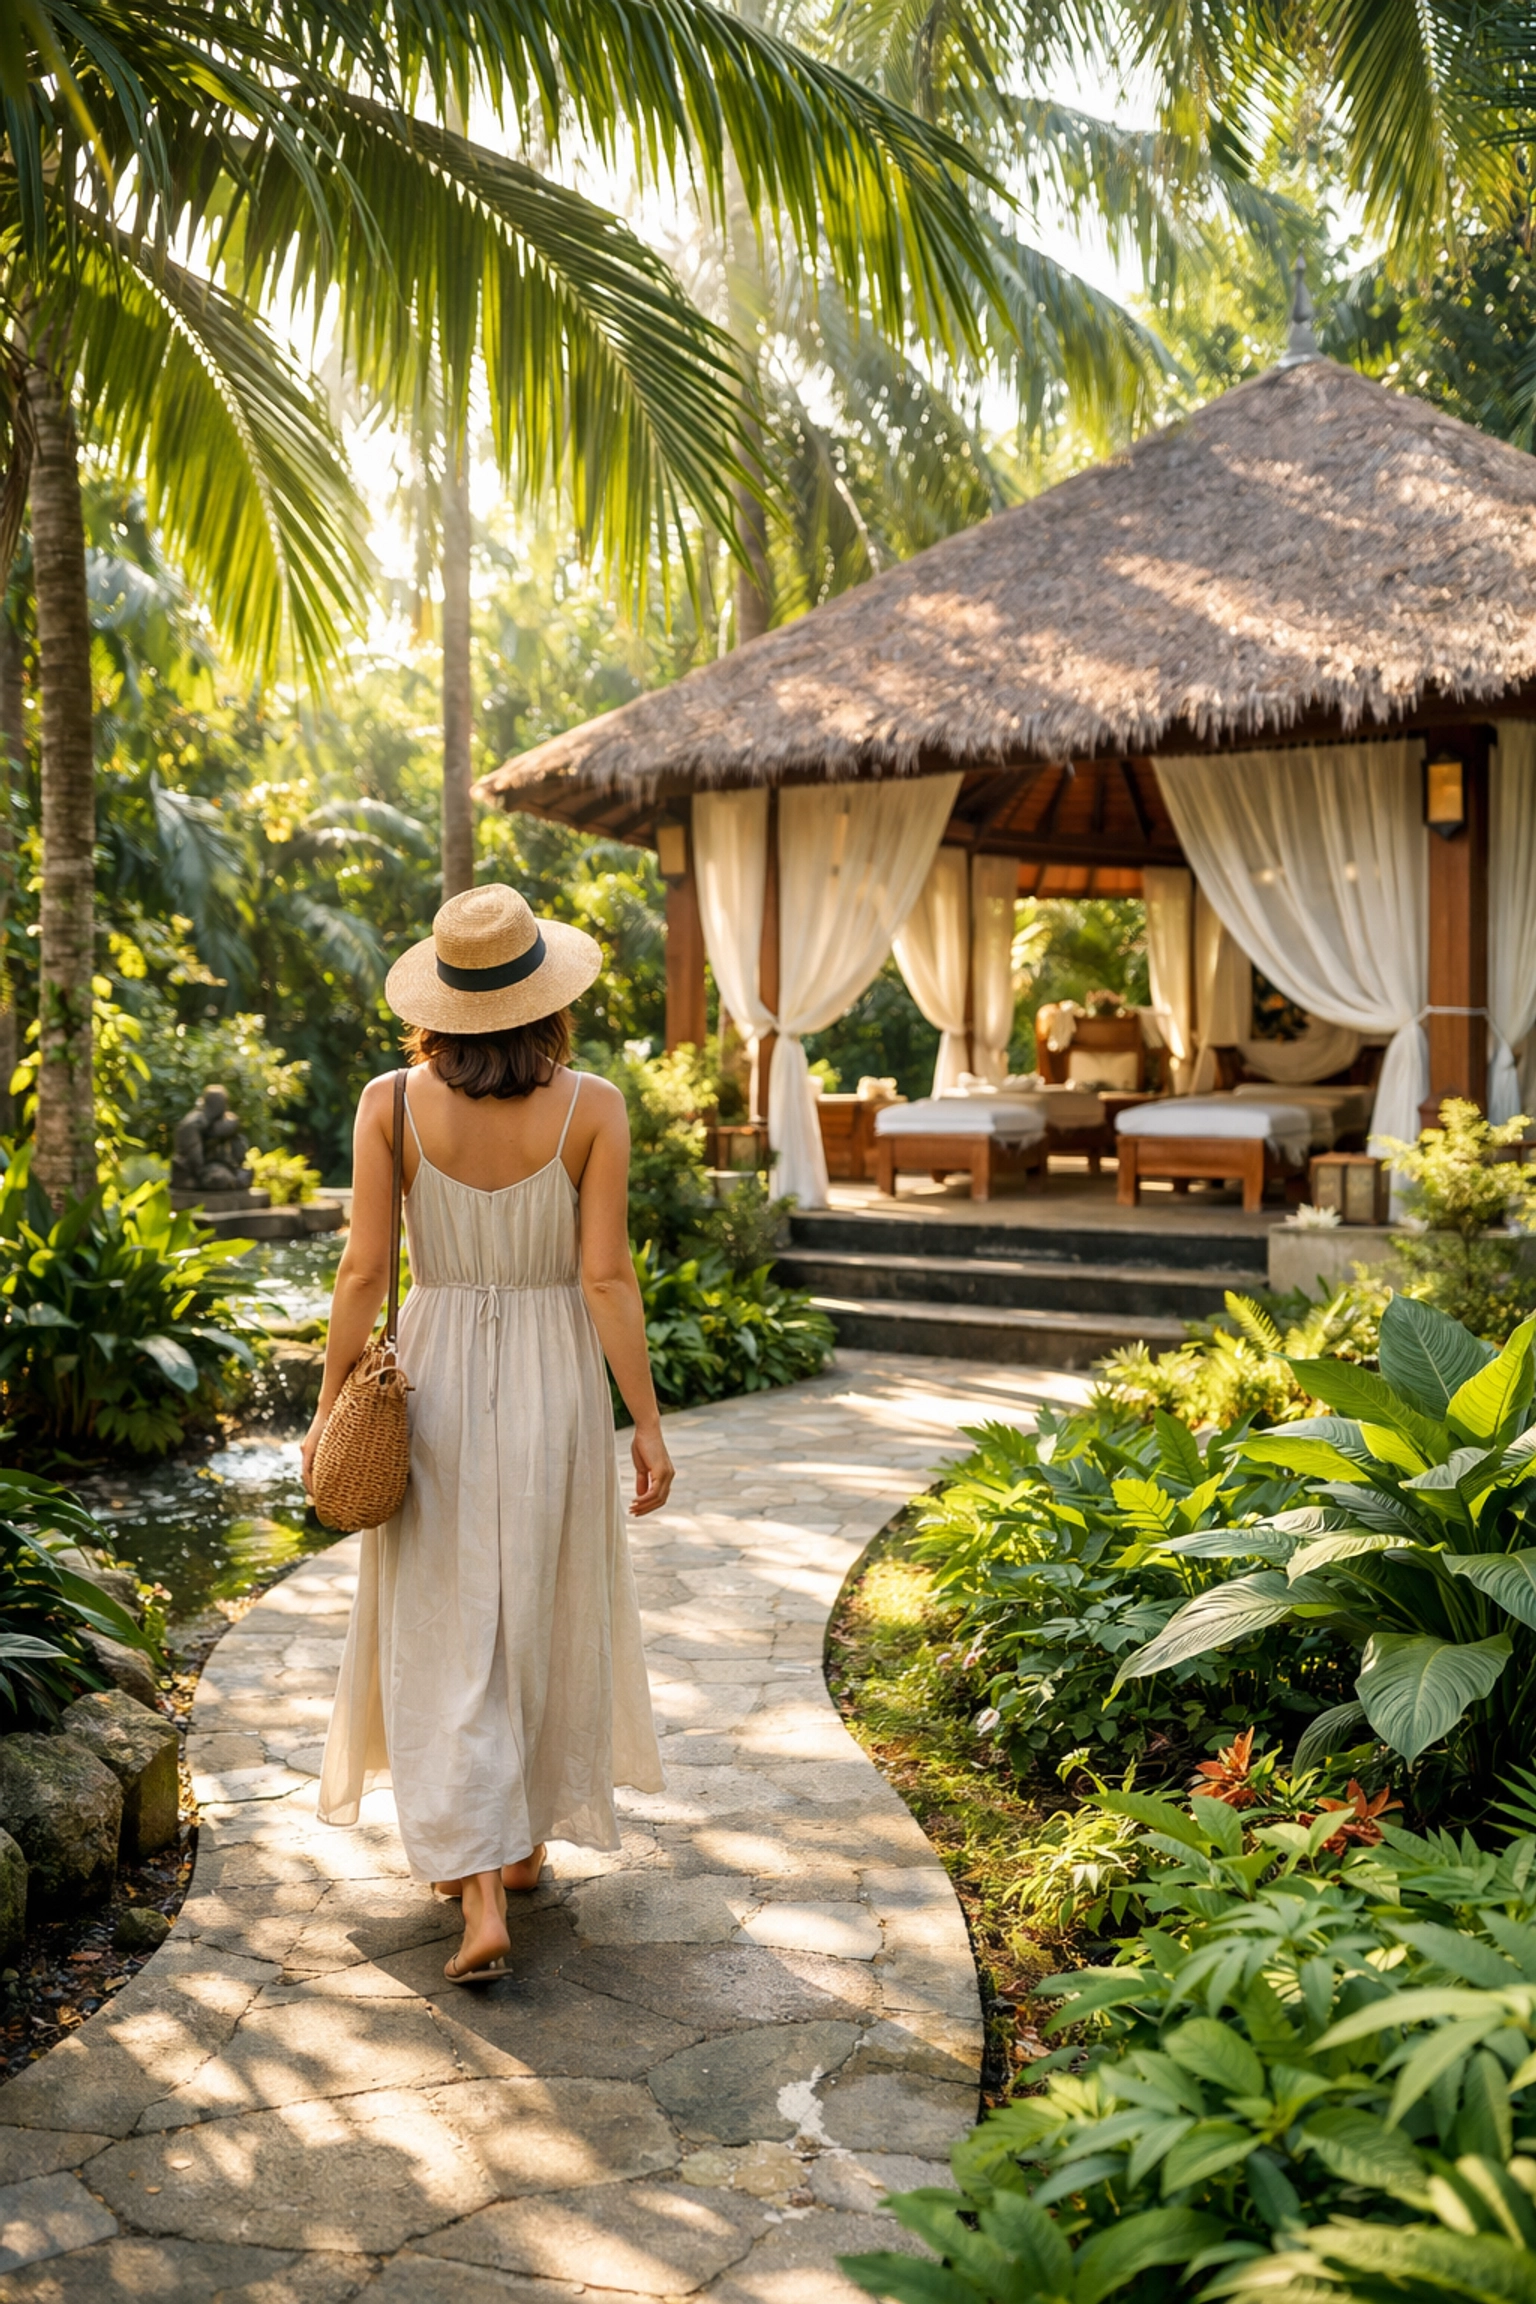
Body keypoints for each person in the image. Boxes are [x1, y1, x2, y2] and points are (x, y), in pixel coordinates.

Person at [308, 884, 670, 1982]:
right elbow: (605, 1277)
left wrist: (330, 1406)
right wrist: (646, 1425)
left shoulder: (389, 1101)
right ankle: (516, 1852)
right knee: (541, 1594)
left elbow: (367, 1271)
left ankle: (481, 1890)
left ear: (443, 1004)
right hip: (558, 1373)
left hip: (437, 1375)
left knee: (447, 1618)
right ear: (546, 1000)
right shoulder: (594, 1106)